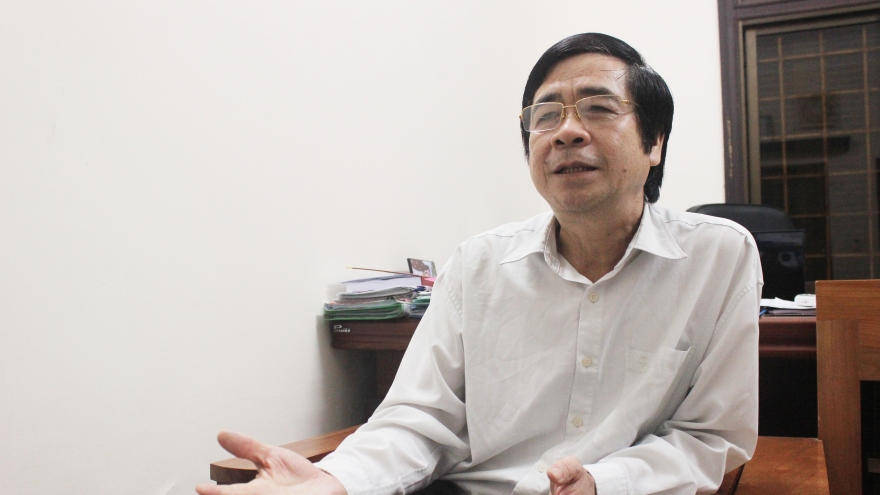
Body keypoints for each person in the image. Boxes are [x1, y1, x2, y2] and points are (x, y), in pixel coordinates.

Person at [196, 32, 761, 495]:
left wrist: (604, 483)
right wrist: (336, 481)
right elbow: (420, 421)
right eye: (546, 116)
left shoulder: (719, 256)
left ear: (654, 141)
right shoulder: (478, 264)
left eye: (598, 108)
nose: (567, 131)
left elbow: (711, 436)